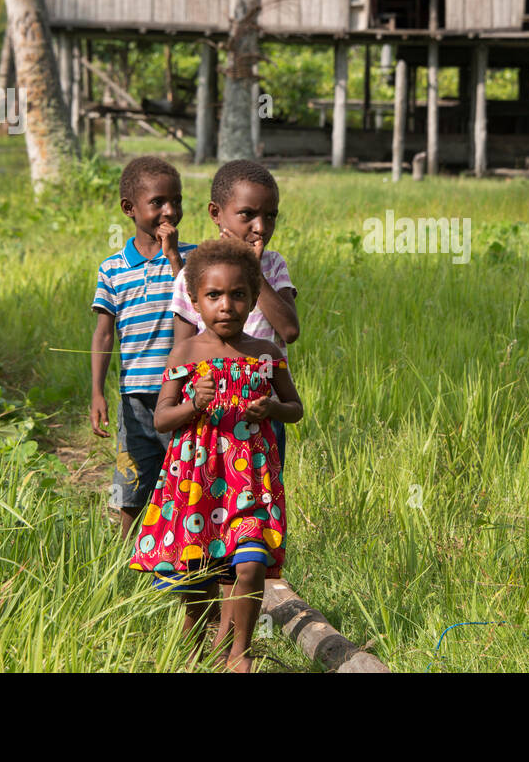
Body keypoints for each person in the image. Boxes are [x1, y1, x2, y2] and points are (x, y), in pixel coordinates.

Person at [131, 237, 303, 672]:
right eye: (214, 295)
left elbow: (296, 408)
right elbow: (162, 420)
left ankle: (239, 655)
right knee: (199, 583)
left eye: (238, 294)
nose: (226, 305)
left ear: (253, 298)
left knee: (249, 564)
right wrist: (195, 404)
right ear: (194, 299)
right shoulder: (185, 353)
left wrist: (272, 409)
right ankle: (191, 654)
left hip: (249, 479)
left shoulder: (265, 355)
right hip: (197, 482)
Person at [90, 156, 195, 539]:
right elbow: (104, 334)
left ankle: (184, 555)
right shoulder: (113, 268)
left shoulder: (194, 259)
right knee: (132, 485)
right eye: (158, 203)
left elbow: (198, 303)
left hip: (184, 393)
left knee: (185, 482)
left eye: (177, 201)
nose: (170, 211)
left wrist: (173, 257)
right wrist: (97, 392)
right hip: (135, 395)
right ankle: (127, 561)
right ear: (129, 209)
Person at [170, 160, 298, 465]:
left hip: (264, 410)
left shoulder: (273, 265)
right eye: (247, 215)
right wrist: (189, 405)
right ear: (216, 213)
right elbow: (183, 351)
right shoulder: (195, 274)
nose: (261, 227)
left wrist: (255, 272)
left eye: (270, 216)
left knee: (262, 492)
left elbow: (290, 331)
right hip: (209, 416)